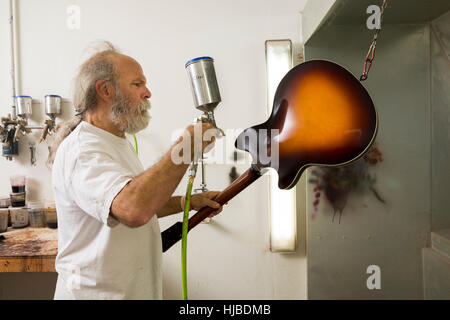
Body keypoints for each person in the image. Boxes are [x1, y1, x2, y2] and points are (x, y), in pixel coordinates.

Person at [48, 42, 222, 299]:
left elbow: (124, 204)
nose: (148, 93)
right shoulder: (83, 151)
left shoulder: (115, 142)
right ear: (106, 90)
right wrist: (184, 148)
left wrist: (187, 202)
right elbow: (132, 209)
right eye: (137, 84)